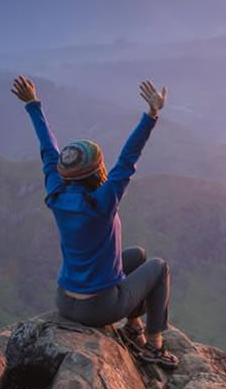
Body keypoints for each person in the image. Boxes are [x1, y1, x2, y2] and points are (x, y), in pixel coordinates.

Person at [12, 75, 178, 369]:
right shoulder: (102, 202)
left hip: (65, 300)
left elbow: (48, 152)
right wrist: (151, 115)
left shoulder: (57, 194)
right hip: (99, 308)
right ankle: (154, 346)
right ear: (97, 170)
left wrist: (32, 104)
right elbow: (128, 158)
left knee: (137, 255)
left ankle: (133, 327)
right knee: (159, 267)